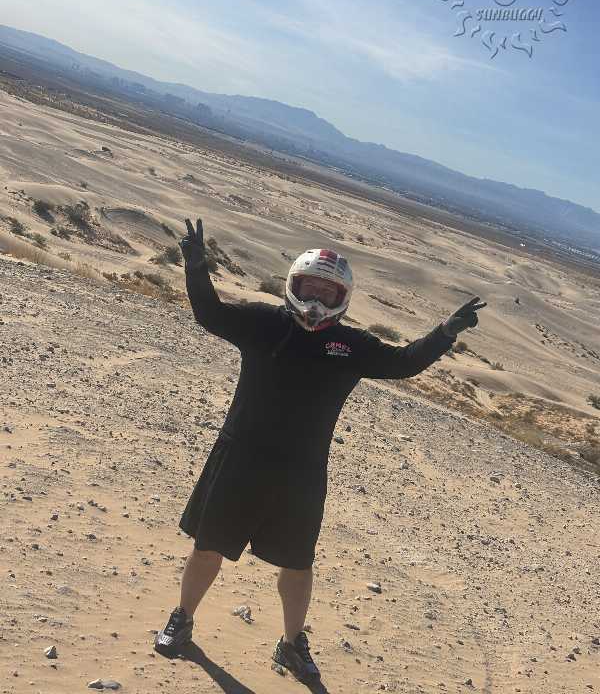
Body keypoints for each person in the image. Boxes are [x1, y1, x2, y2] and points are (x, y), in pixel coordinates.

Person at [154, 216, 486, 682]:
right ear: (292, 285)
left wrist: (445, 333)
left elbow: (404, 363)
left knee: (297, 564)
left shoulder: (351, 345)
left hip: (302, 472)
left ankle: (292, 644)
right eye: (309, 287)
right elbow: (210, 313)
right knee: (208, 547)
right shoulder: (262, 323)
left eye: (328, 293)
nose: (316, 300)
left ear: (342, 299)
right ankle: (182, 619)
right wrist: (195, 267)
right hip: (240, 456)